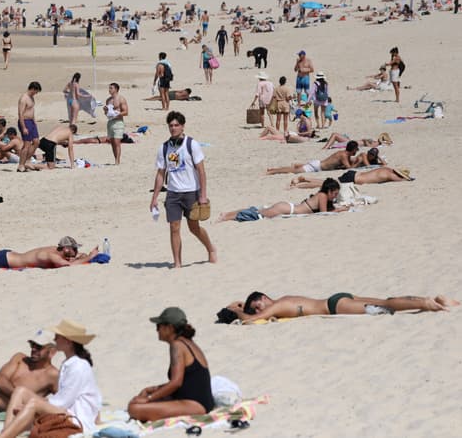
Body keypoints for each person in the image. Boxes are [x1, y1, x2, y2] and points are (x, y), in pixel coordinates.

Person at [0, 319, 102, 438]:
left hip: (77, 419)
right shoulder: (70, 363)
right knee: (20, 391)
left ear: (68, 342)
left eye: (58, 336)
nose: (55, 339)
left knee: (34, 403)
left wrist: (35, 405)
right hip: (67, 411)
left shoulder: (79, 366)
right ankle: (5, 432)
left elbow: (63, 401)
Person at [150, 111, 217, 267]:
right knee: (174, 227)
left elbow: (201, 170)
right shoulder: (164, 147)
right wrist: (154, 198)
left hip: (191, 192)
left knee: (194, 228)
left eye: (176, 125)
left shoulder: (191, 144)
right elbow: (160, 174)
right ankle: (177, 263)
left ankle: (210, 248)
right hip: (173, 193)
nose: (173, 128)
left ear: (182, 126)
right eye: (171, 125)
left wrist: (203, 195)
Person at [128, 308, 214, 420]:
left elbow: (176, 383)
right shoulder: (188, 342)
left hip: (196, 405)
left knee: (134, 408)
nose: (157, 330)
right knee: (144, 394)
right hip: (203, 401)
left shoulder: (177, 346)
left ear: (170, 328)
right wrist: (152, 389)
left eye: (158, 326)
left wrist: (149, 398)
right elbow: (187, 381)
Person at [224, 292, 458, 323]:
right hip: (336, 299)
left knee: (386, 306)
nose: (258, 310)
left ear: (265, 297)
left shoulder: (279, 304)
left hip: (335, 306)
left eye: (258, 305)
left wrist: (235, 309)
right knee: (384, 302)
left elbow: (248, 321)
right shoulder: (285, 299)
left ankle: (426, 304)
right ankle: (432, 300)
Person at [216, 178, 351, 222]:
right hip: (287, 209)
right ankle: (226, 217)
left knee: (258, 211)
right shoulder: (322, 196)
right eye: (334, 193)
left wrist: (338, 208)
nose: (335, 196)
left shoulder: (322, 196)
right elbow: (323, 213)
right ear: (329, 191)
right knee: (256, 215)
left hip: (288, 207)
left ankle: (227, 214)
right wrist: (340, 210)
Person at [266, 140, 359, 175]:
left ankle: (274, 169)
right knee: (293, 171)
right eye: (356, 149)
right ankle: (273, 171)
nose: (357, 151)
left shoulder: (343, 154)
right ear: (353, 149)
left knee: (294, 169)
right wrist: (358, 163)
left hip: (317, 165)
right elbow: (349, 168)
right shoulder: (344, 155)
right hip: (316, 167)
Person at [290, 166, 413, 189]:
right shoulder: (391, 174)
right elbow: (401, 179)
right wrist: (408, 178)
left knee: (328, 182)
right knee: (325, 184)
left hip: (354, 174)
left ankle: (304, 179)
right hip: (354, 179)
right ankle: (301, 183)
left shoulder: (387, 169)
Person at [16, 82, 42, 173]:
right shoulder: (24, 98)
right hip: (25, 122)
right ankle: (21, 165)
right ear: (33, 89)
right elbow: (20, 113)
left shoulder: (32, 98)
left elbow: (31, 110)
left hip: (31, 122)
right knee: (26, 145)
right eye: (36, 91)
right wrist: (23, 127)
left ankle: (27, 160)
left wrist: (34, 121)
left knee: (36, 142)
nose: (36, 93)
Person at [104, 83, 129, 165]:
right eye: (109, 88)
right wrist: (105, 110)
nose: (109, 90)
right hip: (110, 122)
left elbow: (126, 112)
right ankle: (115, 159)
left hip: (118, 122)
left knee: (117, 141)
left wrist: (117, 114)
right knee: (112, 142)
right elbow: (107, 113)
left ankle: (117, 161)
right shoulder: (108, 100)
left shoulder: (121, 99)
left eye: (111, 88)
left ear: (116, 89)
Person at [321, 132, 392, 150]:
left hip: (352, 143)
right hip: (351, 141)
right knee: (335, 135)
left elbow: (369, 146)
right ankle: (327, 147)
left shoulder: (376, 144)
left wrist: (365, 140)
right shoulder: (375, 142)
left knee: (335, 135)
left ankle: (325, 148)